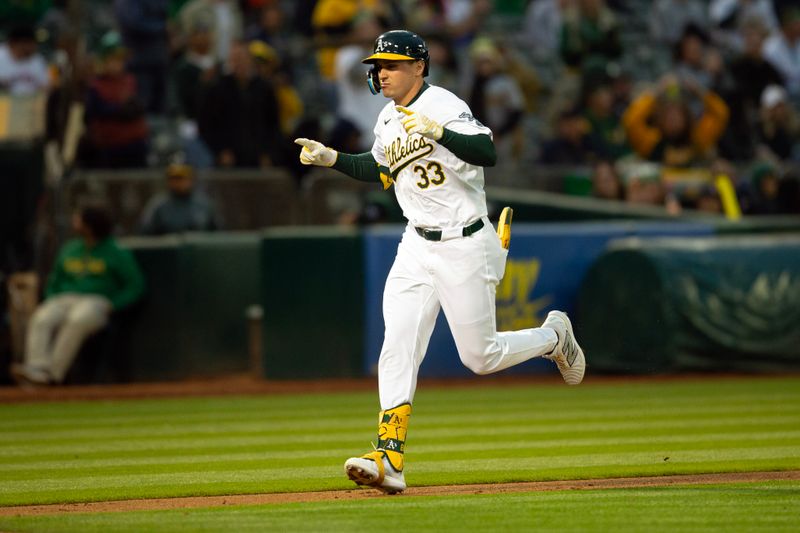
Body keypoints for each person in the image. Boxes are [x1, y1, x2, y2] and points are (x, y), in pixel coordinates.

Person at [293, 30, 586, 495]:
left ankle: (554, 337)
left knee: (480, 356)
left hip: (464, 240)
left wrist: (440, 132)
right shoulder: (387, 119)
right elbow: (379, 167)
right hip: (416, 244)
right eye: (378, 65)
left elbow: (485, 151)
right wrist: (333, 159)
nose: (381, 72)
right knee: (398, 344)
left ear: (419, 67)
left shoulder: (444, 105)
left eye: (391, 64)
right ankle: (389, 457)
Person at [11, 203, 145, 386]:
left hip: (96, 300)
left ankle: (52, 375)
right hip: (66, 298)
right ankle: (37, 369)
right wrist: (52, 297)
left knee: (77, 320)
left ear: (90, 225)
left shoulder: (116, 252)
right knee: (42, 317)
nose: (75, 222)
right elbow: (54, 280)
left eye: (79, 219)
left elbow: (135, 285)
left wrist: (114, 304)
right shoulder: (70, 249)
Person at [139, 159, 221, 235]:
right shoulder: (158, 206)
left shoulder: (204, 204)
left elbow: (219, 233)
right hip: (167, 250)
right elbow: (144, 233)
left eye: (181, 178)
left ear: (191, 180)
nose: (178, 183)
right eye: (174, 179)